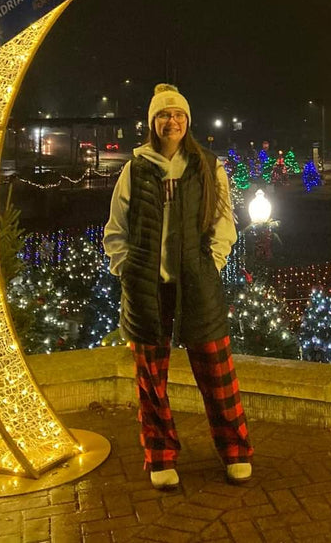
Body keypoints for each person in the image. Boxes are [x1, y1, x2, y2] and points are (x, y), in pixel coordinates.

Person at [103, 83, 253, 489]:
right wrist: (127, 270)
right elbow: (116, 229)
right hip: (148, 287)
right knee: (151, 380)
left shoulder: (206, 165)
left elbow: (224, 223)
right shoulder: (135, 169)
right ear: (153, 123)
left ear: (188, 121)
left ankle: (235, 450)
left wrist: (212, 265)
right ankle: (160, 456)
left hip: (196, 281)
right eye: (164, 115)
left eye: (179, 115)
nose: (172, 121)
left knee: (217, 371)